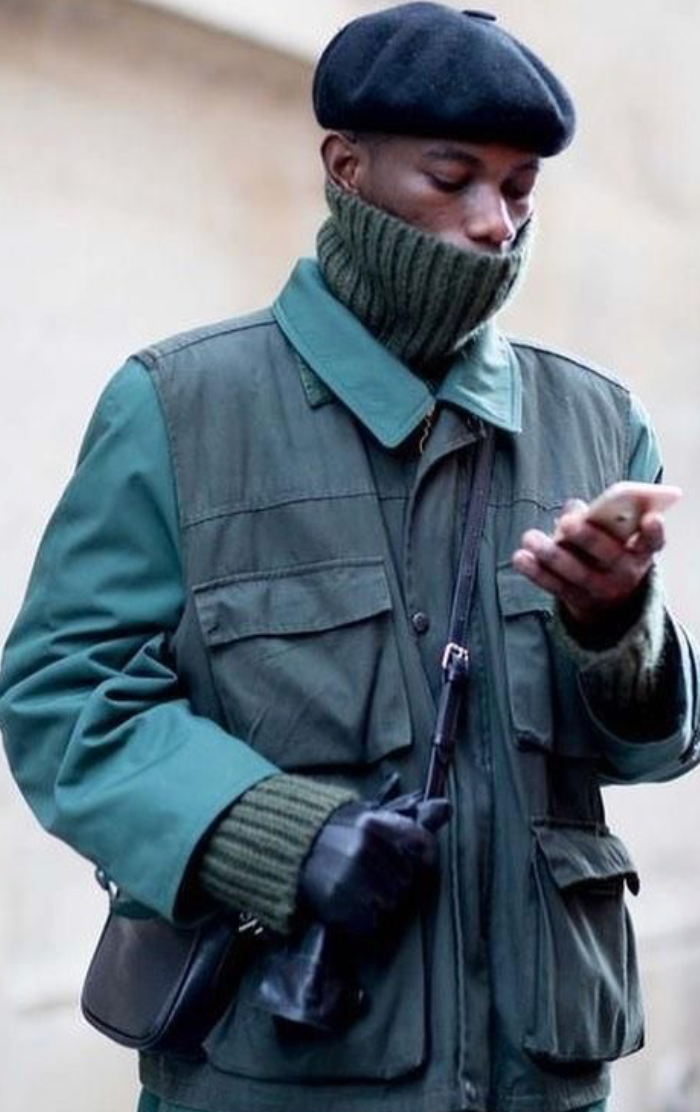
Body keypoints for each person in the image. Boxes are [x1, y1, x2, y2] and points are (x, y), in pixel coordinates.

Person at [1, 4, 698, 1112]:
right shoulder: (178, 405)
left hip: (544, 1081)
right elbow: (63, 698)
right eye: (452, 177)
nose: (494, 223)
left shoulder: (598, 423)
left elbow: (655, 751)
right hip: (275, 1075)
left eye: (520, 189)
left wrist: (620, 630)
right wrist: (273, 834)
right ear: (347, 167)